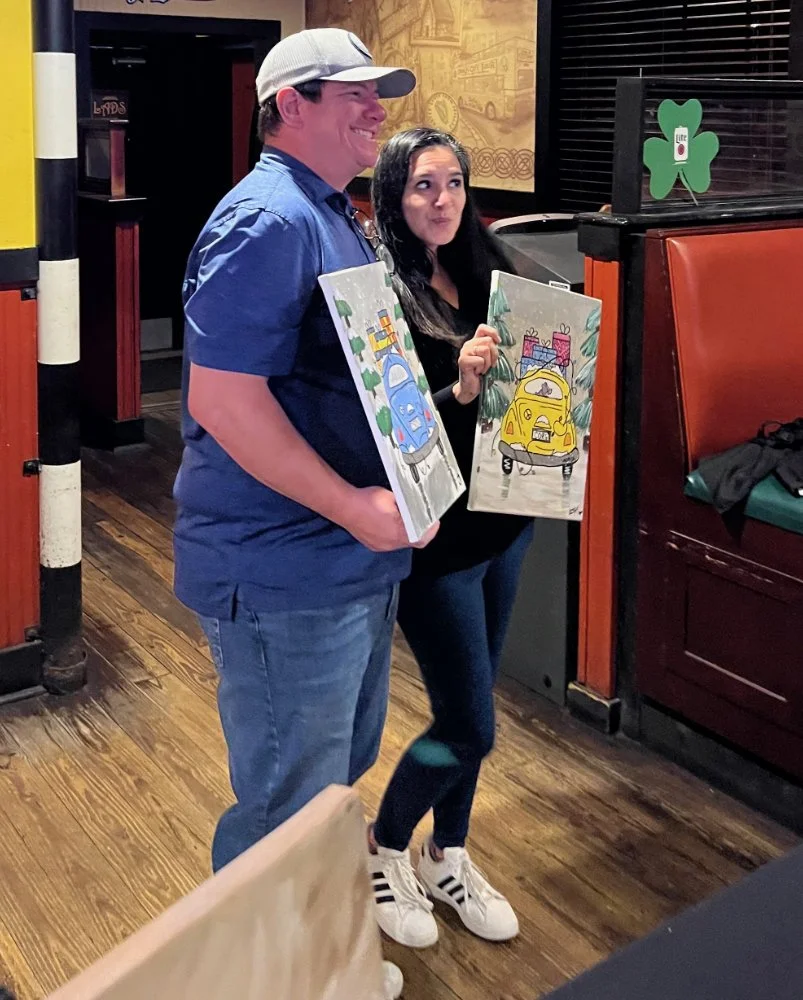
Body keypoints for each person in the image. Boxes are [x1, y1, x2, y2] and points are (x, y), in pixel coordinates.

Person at [172, 31, 430, 997]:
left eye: (379, 93)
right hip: (283, 564)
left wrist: (407, 485)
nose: (375, 110)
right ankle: (262, 980)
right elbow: (223, 400)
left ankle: (313, 966)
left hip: (345, 559)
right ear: (289, 105)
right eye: (352, 94)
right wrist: (353, 504)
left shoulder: (331, 213)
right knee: (286, 802)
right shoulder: (267, 220)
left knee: (329, 780)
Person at [366, 128, 535, 947]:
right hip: (437, 542)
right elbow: (384, 430)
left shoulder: (487, 268)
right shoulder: (380, 291)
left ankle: (448, 852)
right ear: (393, 195)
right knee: (468, 725)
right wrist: (458, 389)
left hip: (507, 522)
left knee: (474, 705)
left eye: (454, 183)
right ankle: (385, 845)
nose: (442, 200)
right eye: (423, 185)